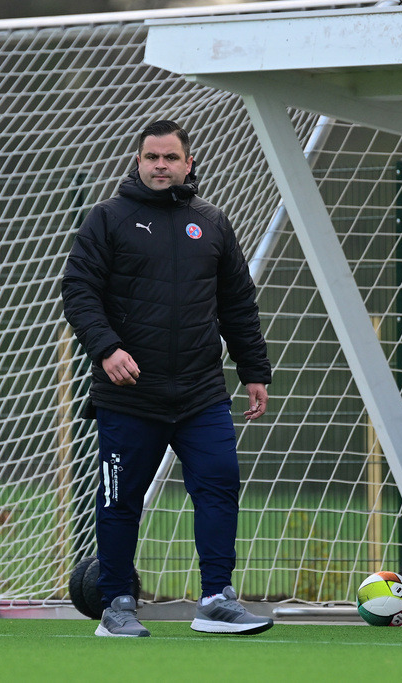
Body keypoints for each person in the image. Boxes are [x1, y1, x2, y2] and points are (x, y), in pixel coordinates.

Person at [61, 120, 273, 637]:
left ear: (188, 163)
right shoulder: (108, 220)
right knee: (119, 500)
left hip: (201, 394)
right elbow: (78, 290)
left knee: (220, 485)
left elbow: (237, 304)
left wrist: (254, 371)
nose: (161, 165)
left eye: (170, 157)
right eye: (152, 157)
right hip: (130, 396)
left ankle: (217, 600)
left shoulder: (213, 222)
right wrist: (106, 348)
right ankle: (116, 606)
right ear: (138, 162)